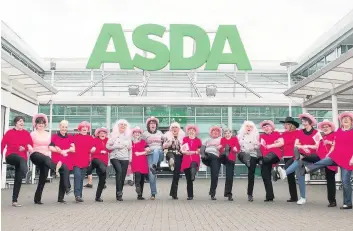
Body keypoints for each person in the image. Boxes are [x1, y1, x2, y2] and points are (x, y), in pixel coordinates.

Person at [302, 112, 353, 210]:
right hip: (336, 155)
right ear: (341, 121)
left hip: (348, 160)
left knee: (345, 181)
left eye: (347, 118)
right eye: (343, 119)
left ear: (351, 121)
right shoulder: (339, 131)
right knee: (324, 161)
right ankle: (307, 169)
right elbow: (334, 144)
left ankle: (348, 203)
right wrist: (329, 154)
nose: (345, 120)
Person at [277, 113, 319, 205]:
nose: (303, 122)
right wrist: (303, 148)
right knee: (300, 176)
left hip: (313, 157)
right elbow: (296, 145)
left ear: (310, 122)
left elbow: (318, 146)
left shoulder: (316, 133)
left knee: (298, 160)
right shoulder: (300, 132)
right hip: (301, 156)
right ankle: (303, 198)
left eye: (305, 120)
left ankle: (284, 172)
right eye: (303, 121)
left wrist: (306, 146)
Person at [30, 113, 63, 204]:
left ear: (45, 124)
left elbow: (51, 146)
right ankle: (56, 168)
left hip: (46, 158)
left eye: (42, 123)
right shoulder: (32, 134)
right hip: (35, 154)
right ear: (35, 124)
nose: (41, 124)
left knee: (43, 178)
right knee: (46, 159)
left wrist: (57, 149)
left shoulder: (49, 135)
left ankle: (37, 199)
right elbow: (28, 144)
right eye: (39, 123)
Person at [1, 116, 33, 207]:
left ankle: (14, 201)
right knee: (20, 159)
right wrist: (2, 155)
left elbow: (31, 145)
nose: (22, 123)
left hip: (22, 159)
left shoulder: (26, 133)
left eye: (23, 121)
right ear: (15, 123)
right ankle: (26, 172)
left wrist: (25, 148)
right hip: (11, 156)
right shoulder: (9, 132)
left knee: (18, 179)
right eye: (20, 121)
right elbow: (3, 144)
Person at [49, 120, 74, 204]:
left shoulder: (70, 137)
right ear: (59, 127)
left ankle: (61, 198)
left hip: (67, 159)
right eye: (62, 127)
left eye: (66, 127)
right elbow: (50, 148)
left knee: (64, 176)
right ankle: (68, 188)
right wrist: (59, 151)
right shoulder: (54, 136)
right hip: (56, 160)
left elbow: (73, 149)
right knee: (65, 170)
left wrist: (64, 151)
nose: (64, 128)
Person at [106, 119, 131, 201]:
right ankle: (118, 192)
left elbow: (130, 148)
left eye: (124, 125)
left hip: (125, 158)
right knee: (119, 172)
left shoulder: (128, 136)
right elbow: (108, 146)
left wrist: (130, 157)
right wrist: (116, 146)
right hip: (115, 157)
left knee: (123, 176)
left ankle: (119, 192)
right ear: (118, 126)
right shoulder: (112, 135)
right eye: (121, 124)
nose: (123, 126)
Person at [258, 120, 282, 202]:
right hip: (265, 158)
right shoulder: (261, 136)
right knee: (265, 175)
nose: (265, 128)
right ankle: (269, 196)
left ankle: (278, 170)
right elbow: (260, 147)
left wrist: (271, 145)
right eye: (264, 127)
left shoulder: (277, 134)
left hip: (275, 154)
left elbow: (280, 143)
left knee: (267, 158)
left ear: (271, 127)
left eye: (267, 126)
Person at [237, 121, 260, 202]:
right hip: (243, 154)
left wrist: (252, 146)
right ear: (244, 127)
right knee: (243, 155)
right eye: (247, 126)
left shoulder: (256, 136)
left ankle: (250, 194)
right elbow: (237, 146)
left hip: (253, 156)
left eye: (251, 126)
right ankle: (247, 161)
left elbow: (257, 146)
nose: (249, 128)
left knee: (251, 173)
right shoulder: (240, 136)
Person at [71, 121, 94, 202]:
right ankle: (77, 194)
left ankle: (79, 195)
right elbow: (71, 145)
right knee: (77, 175)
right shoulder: (75, 137)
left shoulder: (90, 138)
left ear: (88, 129)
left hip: (85, 161)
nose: (84, 129)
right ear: (80, 129)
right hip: (76, 160)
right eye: (83, 127)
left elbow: (92, 148)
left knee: (81, 178)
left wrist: (93, 150)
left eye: (86, 128)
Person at [142, 116, 164, 200]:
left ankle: (155, 166)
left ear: (156, 125)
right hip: (149, 155)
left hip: (159, 154)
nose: (152, 124)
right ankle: (153, 193)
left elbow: (166, 139)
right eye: (151, 123)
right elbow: (142, 143)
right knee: (151, 175)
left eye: (154, 123)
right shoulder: (145, 134)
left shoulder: (160, 133)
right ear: (148, 125)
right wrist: (145, 147)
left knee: (156, 150)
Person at [278, 117, 299, 202]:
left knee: (299, 175)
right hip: (286, 156)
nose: (285, 126)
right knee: (290, 177)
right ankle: (293, 197)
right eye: (285, 124)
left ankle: (299, 197)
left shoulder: (298, 133)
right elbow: (281, 145)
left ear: (292, 125)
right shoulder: (283, 134)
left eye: (287, 124)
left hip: (295, 156)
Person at [163, 122, 185, 199]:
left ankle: (173, 193)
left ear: (179, 129)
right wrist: (168, 143)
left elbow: (184, 148)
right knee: (171, 157)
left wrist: (182, 149)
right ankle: (171, 162)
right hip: (169, 153)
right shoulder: (167, 136)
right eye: (173, 127)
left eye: (176, 127)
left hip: (178, 155)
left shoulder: (182, 138)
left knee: (176, 174)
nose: (174, 129)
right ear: (171, 129)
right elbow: (163, 146)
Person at [87, 127, 109, 202]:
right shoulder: (95, 140)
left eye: (104, 133)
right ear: (98, 134)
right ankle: (89, 169)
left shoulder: (108, 140)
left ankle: (97, 197)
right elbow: (92, 150)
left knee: (102, 178)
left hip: (104, 161)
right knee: (101, 168)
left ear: (106, 134)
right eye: (101, 133)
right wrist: (100, 151)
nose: (102, 134)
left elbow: (110, 149)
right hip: (96, 159)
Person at [180, 124, 202, 200]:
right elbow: (183, 149)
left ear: (195, 132)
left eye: (193, 130)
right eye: (190, 130)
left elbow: (199, 150)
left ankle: (193, 173)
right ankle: (190, 195)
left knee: (193, 165)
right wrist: (186, 152)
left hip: (195, 158)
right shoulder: (185, 139)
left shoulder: (198, 140)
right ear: (187, 132)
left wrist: (194, 152)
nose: (191, 132)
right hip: (186, 159)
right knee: (188, 179)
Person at [200, 125, 222, 200]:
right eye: (213, 131)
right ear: (211, 133)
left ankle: (212, 193)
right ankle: (205, 156)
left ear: (219, 133)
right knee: (205, 154)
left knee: (215, 176)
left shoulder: (221, 139)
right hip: (207, 157)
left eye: (217, 131)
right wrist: (202, 154)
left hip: (216, 158)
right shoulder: (207, 139)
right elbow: (202, 148)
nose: (215, 132)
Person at [219, 128, 240, 201]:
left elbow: (237, 149)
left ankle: (228, 193)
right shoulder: (222, 139)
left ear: (231, 134)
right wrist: (224, 149)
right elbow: (220, 148)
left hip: (231, 159)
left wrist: (233, 149)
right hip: (223, 158)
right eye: (225, 133)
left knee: (229, 176)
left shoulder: (234, 139)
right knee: (223, 153)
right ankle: (227, 151)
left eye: (228, 133)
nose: (227, 134)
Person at [131, 126, 150, 200]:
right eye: (135, 132)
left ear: (140, 134)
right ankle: (137, 186)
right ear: (133, 134)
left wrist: (141, 153)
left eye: (138, 132)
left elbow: (147, 150)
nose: (137, 134)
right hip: (135, 162)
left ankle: (140, 195)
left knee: (142, 178)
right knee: (137, 174)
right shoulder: (131, 142)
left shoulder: (143, 142)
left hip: (143, 162)